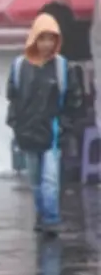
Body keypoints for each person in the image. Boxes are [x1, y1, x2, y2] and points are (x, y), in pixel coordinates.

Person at [6, 14, 83, 236]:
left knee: (50, 178)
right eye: (42, 38)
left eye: (51, 39)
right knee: (35, 179)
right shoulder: (20, 66)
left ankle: (51, 218)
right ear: (34, 39)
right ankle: (42, 216)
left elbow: (73, 99)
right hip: (28, 132)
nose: (47, 44)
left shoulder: (62, 67)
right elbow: (13, 97)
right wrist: (15, 125)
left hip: (52, 132)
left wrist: (63, 126)